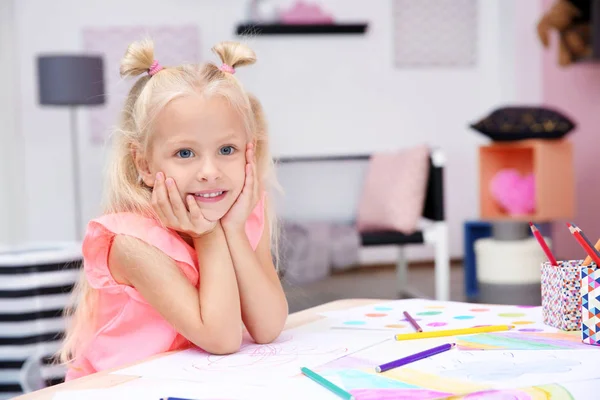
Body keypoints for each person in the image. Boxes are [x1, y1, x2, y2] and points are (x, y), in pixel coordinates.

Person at [58, 38, 288, 381]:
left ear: (249, 153)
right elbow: (221, 338)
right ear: (145, 164)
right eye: (185, 153)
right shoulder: (130, 242)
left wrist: (234, 232)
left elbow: (268, 326)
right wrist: (208, 235)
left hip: (196, 381)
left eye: (227, 149)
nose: (209, 171)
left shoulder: (242, 213)